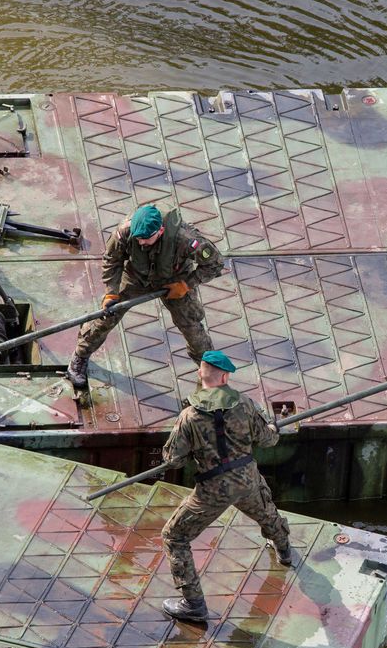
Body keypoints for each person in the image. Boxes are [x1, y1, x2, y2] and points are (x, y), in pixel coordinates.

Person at [158, 349, 294, 621]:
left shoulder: (189, 416)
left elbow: (173, 460)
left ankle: (193, 603)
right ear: (226, 377)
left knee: (175, 537)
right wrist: (272, 429)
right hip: (246, 479)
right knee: (265, 512)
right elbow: (267, 441)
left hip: (212, 490)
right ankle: (284, 550)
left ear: (200, 374)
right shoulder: (244, 404)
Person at [66, 204, 224, 389]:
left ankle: (210, 373)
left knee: (192, 326)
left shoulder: (185, 239)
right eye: (138, 239)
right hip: (136, 277)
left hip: (174, 279)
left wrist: (186, 284)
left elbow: (215, 264)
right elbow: (112, 259)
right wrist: (111, 291)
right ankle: (80, 356)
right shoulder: (125, 231)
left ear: (161, 230)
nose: (141, 243)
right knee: (106, 316)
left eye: (146, 239)